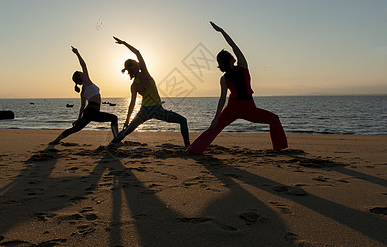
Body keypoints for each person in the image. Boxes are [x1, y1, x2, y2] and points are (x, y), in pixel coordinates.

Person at [188, 22, 288, 154]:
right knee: (274, 119)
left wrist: (216, 118)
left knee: (214, 128)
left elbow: (222, 99)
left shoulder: (224, 78)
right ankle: (279, 148)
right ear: (230, 60)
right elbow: (233, 45)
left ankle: (193, 151)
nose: (233, 55)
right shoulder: (243, 66)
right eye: (231, 55)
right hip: (247, 107)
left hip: (232, 107)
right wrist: (222, 31)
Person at [108, 37, 190, 148]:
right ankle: (188, 147)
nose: (137, 62)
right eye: (135, 62)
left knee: (127, 131)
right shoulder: (145, 73)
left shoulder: (133, 85)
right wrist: (124, 43)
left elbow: (132, 104)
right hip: (157, 110)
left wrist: (127, 120)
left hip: (144, 111)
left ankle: (111, 144)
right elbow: (137, 52)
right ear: (133, 66)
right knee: (183, 120)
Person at [50, 46, 118, 145]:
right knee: (114, 118)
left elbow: (82, 106)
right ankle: (116, 140)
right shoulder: (86, 82)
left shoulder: (83, 91)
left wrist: (79, 119)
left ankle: (56, 140)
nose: (82, 72)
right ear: (80, 76)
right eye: (80, 72)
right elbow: (84, 65)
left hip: (89, 112)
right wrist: (77, 53)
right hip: (92, 110)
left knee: (75, 129)